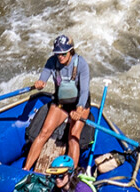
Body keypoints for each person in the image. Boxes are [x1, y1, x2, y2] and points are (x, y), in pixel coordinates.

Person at [24, 34, 92, 170]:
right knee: (44, 132)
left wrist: (79, 109)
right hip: (61, 103)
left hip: (80, 104)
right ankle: (25, 170)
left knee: (73, 136)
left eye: (63, 53)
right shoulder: (52, 62)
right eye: (58, 53)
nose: (60, 56)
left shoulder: (82, 64)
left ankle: (70, 174)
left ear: (71, 51)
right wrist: (40, 83)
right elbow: (43, 78)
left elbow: (84, 91)